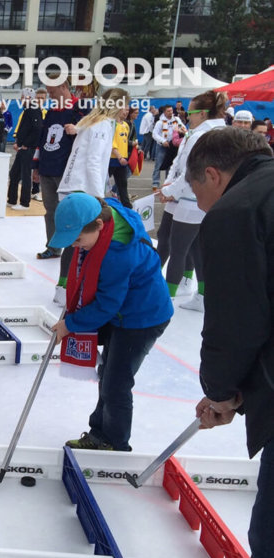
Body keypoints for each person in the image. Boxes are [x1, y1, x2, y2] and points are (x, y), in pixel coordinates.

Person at [182, 127, 274, 558]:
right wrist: (243, 397)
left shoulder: (239, 210)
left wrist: (220, 389)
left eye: (198, 195)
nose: (201, 206)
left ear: (213, 175)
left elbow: (237, 321)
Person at [51, 193, 173, 451]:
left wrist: (70, 324)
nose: (75, 246)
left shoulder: (117, 254)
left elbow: (107, 305)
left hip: (142, 319)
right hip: (123, 313)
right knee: (107, 374)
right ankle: (99, 433)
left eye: (78, 239)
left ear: (97, 225)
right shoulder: (106, 217)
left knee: (116, 383)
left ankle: (116, 444)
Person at [54, 88, 130, 305]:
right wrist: (99, 196)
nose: (127, 110)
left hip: (75, 186)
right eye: (125, 105)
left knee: (75, 241)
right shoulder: (102, 124)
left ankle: (68, 286)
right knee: (78, 240)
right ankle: (66, 287)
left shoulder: (94, 122)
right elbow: (94, 161)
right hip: (82, 189)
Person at [157, 90, 228, 312]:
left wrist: (172, 191)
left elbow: (190, 171)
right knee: (191, 245)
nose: (186, 116)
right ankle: (198, 292)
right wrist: (169, 185)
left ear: (203, 113)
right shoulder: (206, 131)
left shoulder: (203, 135)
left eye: (190, 112)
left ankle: (165, 298)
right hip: (188, 195)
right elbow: (179, 162)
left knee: (178, 246)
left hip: (191, 196)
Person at [32, 76, 85, 259]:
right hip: (47, 168)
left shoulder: (80, 108)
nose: (50, 95)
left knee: (68, 211)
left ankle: (74, 248)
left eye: (52, 91)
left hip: (66, 171)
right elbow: (42, 140)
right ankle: (53, 247)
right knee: (51, 211)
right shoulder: (52, 111)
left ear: (63, 86)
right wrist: (36, 166)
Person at [7, 87, 43, 211]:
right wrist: (19, 142)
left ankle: (24, 203)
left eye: (23, 96)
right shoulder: (28, 109)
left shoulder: (33, 110)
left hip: (27, 148)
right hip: (22, 147)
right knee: (14, 173)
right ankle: (11, 199)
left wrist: (26, 144)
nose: (21, 99)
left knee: (25, 174)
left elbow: (37, 129)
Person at [151, 105, 186, 190]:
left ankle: (168, 182)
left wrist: (182, 131)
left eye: (171, 111)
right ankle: (155, 182)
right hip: (162, 145)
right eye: (168, 111)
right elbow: (154, 134)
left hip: (173, 145)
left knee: (170, 164)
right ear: (164, 112)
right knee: (158, 164)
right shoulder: (160, 122)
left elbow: (183, 128)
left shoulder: (176, 120)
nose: (170, 113)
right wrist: (163, 141)